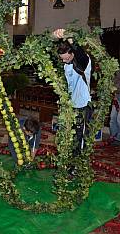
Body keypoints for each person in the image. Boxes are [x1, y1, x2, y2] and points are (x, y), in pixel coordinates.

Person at [53, 29, 93, 174]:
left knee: (80, 138)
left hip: (83, 106)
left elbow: (80, 52)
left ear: (73, 54)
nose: (63, 60)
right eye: (61, 58)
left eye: (66, 58)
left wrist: (69, 38)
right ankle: (70, 163)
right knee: (70, 137)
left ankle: (78, 166)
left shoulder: (83, 62)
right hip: (72, 107)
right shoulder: (66, 64)